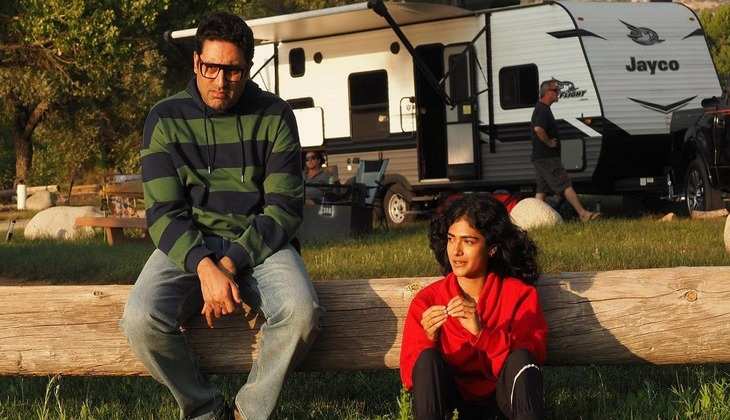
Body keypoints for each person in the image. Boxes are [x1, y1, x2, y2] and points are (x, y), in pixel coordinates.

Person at [120, 12, 321, 420]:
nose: (221, 81)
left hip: (261, 246)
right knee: (140, 320)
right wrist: (204, 266)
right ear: (196, 61)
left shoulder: (275, 114)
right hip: (189, 245)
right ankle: (205, 409)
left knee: (303, 312)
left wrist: (228, 264)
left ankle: (248, 412)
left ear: (248, 67)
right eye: (211, 67)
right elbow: (163, 213)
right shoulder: (164, 117)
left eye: (233, 70)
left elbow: (284, 208)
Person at [400, 193, 548, 420]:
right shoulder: (428, 300)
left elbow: (534, 356)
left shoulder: (520, 295)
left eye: (468, 241)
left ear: (492, 248)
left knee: (522, 358)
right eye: (451, 239)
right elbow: (409, 377)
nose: (456, 251)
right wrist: (429, 339)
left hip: (503, 402)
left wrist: (483, 334)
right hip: (451, 404)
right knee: (426, 358)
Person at [531, 79, 599, 222]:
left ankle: (535, 220)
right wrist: (549, 142)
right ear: (547, 92)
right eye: (555, 91)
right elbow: (538, 129)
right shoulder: (542, 109)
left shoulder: (543, 108)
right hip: (547, 157)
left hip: (541, 158)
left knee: (541, 191)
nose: (558, 93)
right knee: (565, 184)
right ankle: (583, 214)